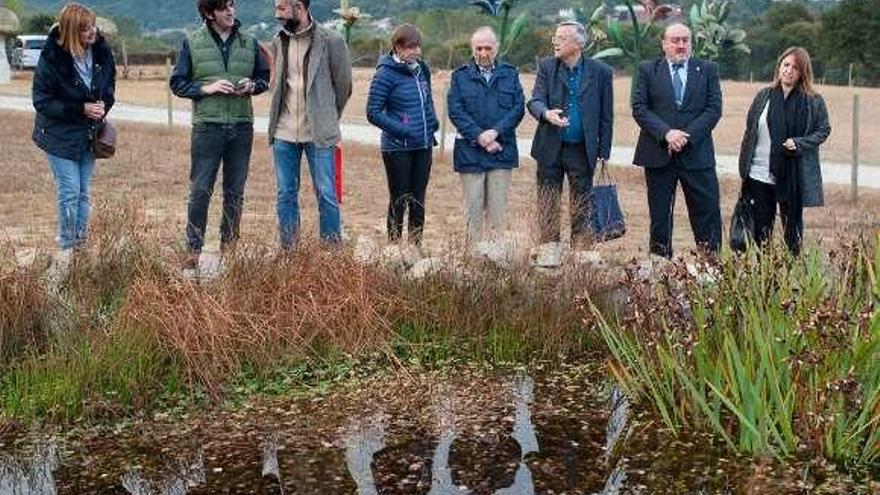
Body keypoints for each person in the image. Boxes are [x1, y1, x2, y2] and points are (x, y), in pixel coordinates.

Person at [170, 0, 270, 268]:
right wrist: (207, 88)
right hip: (207, 127)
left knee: (235, 191)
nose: (230, 11)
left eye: (232, 6)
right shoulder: (192, 42)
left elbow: (264, 78)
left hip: (241, 126)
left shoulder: (249, 41)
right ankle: (193, 250)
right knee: (201, 190)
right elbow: (177, 84)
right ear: (209, 12)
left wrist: (253, 85)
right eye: (223, 7)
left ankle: (229, 248)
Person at [31, 2, 115, 262]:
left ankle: (81, 245)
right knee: (70, 190)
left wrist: (103, 105)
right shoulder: (52, 57)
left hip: (88, 133)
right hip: (58, 134)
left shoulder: (101, 51)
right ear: (70, 32)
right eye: (84, 29)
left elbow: (109, 86)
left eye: (93, 26)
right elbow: (42, 101)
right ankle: (68, 247)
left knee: (83, 192)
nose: (92, 33)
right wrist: (81, 108)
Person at [632, 22, 722, 259]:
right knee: (660, 219)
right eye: (675, 40)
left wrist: (686, 137)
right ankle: (660, 273)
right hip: (659, 155)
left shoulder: (708, 69)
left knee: (707, 215)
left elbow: (713, 110)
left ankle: (710, 270)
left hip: (697, 156)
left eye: (685, 40)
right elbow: (639, 108)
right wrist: (667, 134)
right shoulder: (647, 70)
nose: (681, 45)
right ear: (664, 44)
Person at [268, 0, 352, 248]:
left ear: (299, 7)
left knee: (326, 193)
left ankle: (331, 252)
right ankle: (290, 252)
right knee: (285, 194)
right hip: (283, 133)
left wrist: (326, 117)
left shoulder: (332, 41)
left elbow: (344, 86)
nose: (277, 14)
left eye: (281, 8)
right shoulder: (277, 41)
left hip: (318, 134)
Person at [737, 47, 830, 256]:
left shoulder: (813, 100)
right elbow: (750, 130)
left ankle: (791, 278)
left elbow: (823, 130)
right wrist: (744, 168)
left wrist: (799, 143)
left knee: (792, 233)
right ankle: (765, 280)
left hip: (792, 175)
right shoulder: (764, 96)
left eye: (795, 67)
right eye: (785, 65)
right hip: (758, 174)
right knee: (762, 232)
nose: (788, 70)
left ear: (802, 73)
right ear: (779, 67)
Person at [527, 21, 613, 248]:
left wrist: (604, 151)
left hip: (582, 150)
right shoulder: (547, 67)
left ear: (578, 44)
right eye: (555, 37)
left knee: (582, 206)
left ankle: (580, 256)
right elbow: (535, 100)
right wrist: (546, 113)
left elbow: (606, 115)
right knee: (548, 203)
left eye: (562, 38)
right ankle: (548, 252)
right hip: (550, 147)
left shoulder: (601, 72)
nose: (555, 42)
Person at [447, 27, 525, 245]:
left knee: (497, 211)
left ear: (496, 48)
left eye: (488, 48)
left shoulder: (510, 74)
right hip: (470, 152)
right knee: (473, 211)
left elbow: (518, 108)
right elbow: (456, 110)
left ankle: (495, 259)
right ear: (473, 49)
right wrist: (480, 137)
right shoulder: (460, 77)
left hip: (502, 151)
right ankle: (473, 260)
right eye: (478, 48)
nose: (483, 52)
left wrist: (495, 132)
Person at [366, 24, 439, 247]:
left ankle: (415, 248)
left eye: (418, 47)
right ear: (397, 47)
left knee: (418, 199)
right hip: (397, 148)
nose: (416, 51)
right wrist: (403, 130)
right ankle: (394, 249)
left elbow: (427, 98)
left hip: (423, 145)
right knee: (399, 200)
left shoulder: (422, 68)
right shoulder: (385, 74)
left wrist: (433, 121)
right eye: (410, 47)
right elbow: (372, 112)